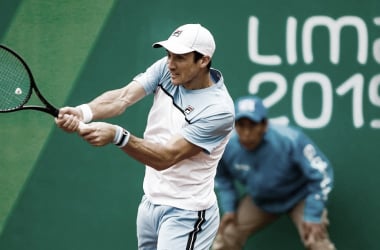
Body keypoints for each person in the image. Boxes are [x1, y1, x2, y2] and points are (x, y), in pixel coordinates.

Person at [55, 24, 235, 250]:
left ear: (203, 60)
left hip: (187, 213)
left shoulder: (218, 111)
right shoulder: (167, 70)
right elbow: (122, 98)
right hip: (151, 202)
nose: (170, 63)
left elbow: (166, 158)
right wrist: (82, 112)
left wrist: (117, 135)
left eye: (179, 57)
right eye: (168, 55)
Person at [212, 95, 336, 250]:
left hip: (299, 197)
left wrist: (313, 213)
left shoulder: (290, 139)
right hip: (261, 201)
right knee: (229, 232)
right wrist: (229, 207)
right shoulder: (225, 145)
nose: (246, 133)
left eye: (252, 125)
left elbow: (322, 174)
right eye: (241, 125)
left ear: (264, 125)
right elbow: (222, 177)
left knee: (315, 238)